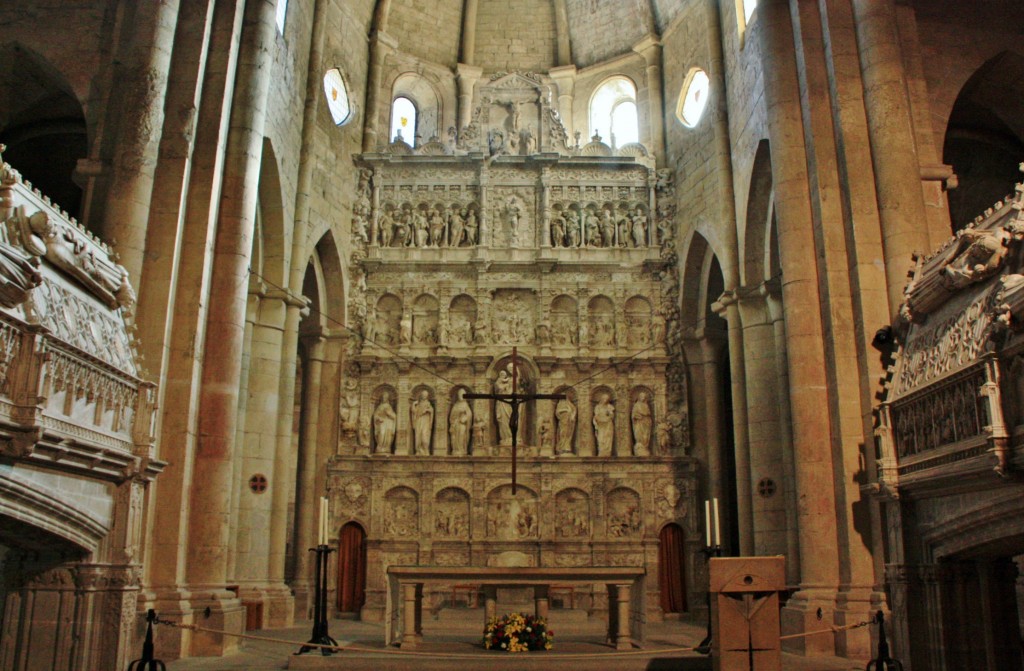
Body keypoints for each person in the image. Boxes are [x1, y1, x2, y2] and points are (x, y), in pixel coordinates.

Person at [449, 388, 473, 456]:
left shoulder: (466, 405)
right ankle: (455, 449)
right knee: (454, 438)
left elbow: (469, 415)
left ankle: (462, 449)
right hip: (455, 424)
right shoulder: (455, 405)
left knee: (462, 436)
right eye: (459, 394)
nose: (461, 396)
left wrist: (466, 418)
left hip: (462, 424)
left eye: (462, 394)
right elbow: (451, 416)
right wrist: (454, 420)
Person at [412, 390, 434, 455]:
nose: (424, 396)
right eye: (423, 395)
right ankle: (418, 450)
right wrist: (413, 404)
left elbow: (431, 411)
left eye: (425, 395)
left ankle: (425, 449)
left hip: (426, 421)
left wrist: (427, 410)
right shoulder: (418, 404)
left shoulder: (428, 404)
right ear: (421, 395)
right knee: (418, 435)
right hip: (419, 421)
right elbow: (414, 412)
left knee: (424, 436)